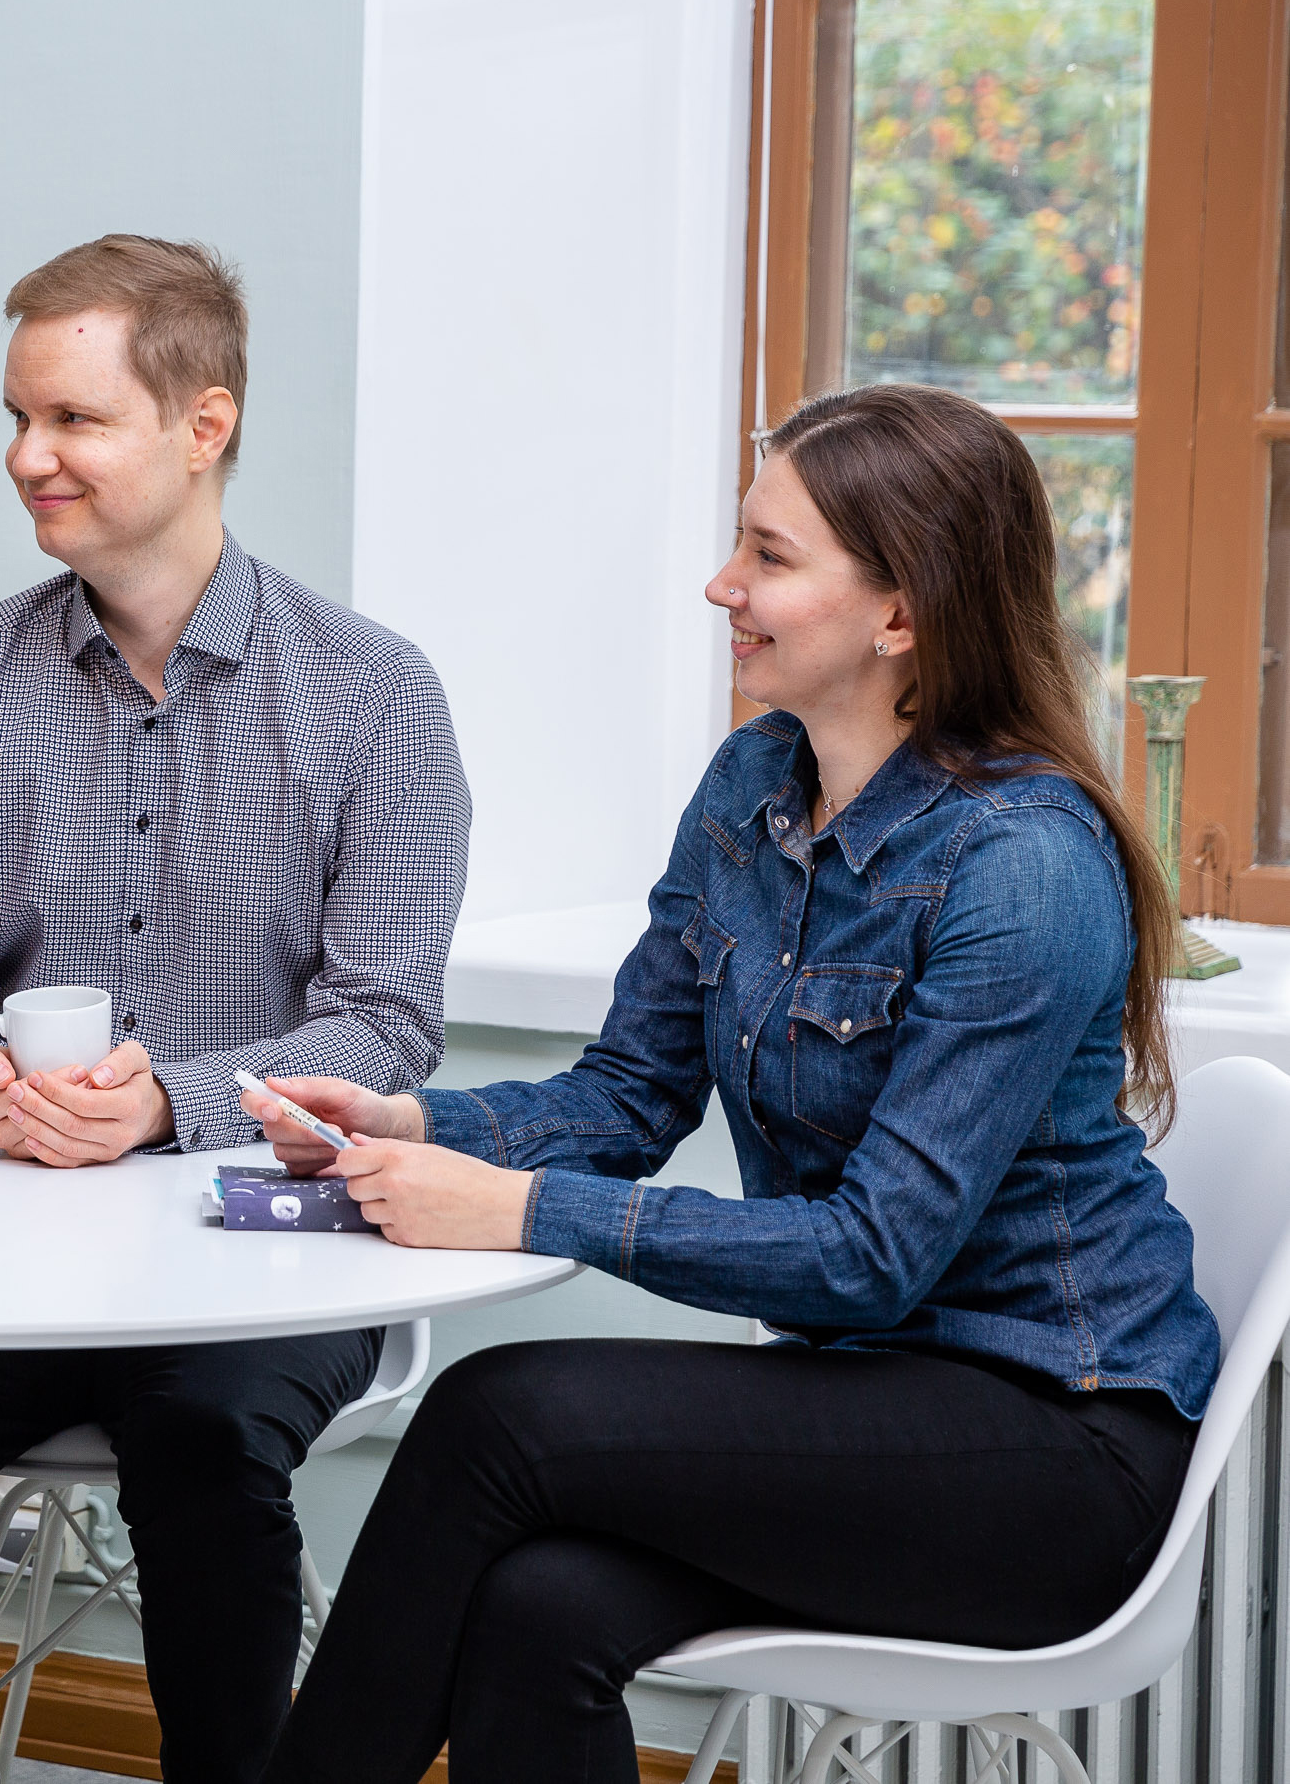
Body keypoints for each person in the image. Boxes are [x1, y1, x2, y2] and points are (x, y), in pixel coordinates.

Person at [247, 382, 1219, 1784]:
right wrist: (412, 1124)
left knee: (492, 1413)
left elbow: (876, 1254)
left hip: (1057, 1447)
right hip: (866, 1403)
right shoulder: (753, 786)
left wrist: (519, 1206)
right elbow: (632, 1092)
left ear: (902, 613)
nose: (723, 585)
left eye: (769, 555)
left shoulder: (1026, 866)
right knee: (540, 1608)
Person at [0, 236, 473, 1784]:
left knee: (202, 1446)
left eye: (75, 420)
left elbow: (384, 1022)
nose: (31, 458)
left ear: (203, 423)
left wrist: (171, 1102)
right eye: (18, 418)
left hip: (260, 1242)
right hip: (1, 1243)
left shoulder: (375, 695)